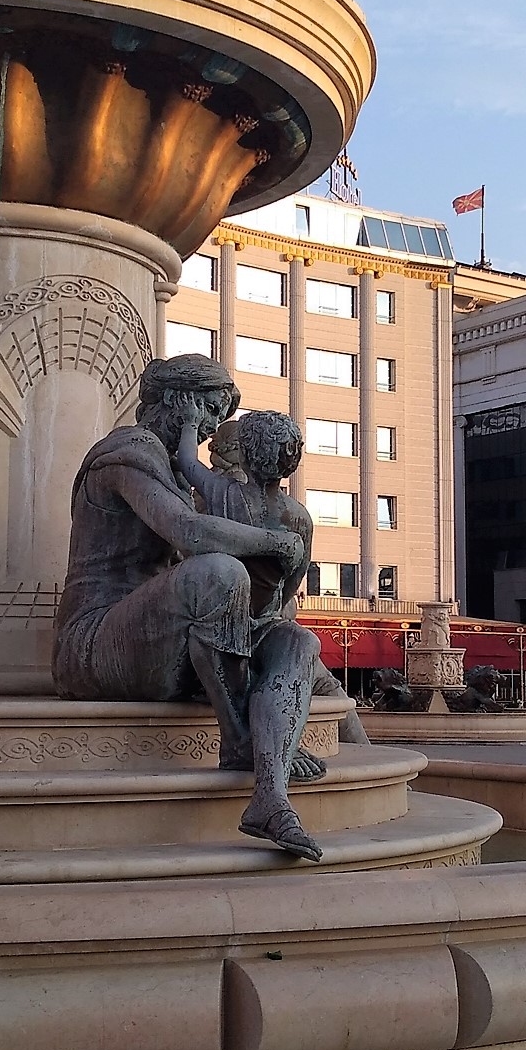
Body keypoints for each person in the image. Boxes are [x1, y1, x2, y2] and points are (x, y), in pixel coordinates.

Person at [53, 355, 325, 860]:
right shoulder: (127, 452)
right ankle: (241, 738)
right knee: (220, 572)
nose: (212, 430)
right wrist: (274, 542)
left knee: (297, 641)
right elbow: (187, 532)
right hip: (95, 643)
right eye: (209, 411)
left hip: (160, 641)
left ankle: (269, 792)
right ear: (178, 401)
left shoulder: (176, 467)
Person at [175, 409, 368, 751]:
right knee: (294, 671)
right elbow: (293, 582)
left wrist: (190, 422)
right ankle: (288, 744)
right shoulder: (299, 518)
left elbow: (187, 460)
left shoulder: (224, 494)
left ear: (244, 454)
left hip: (222, 624)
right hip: (266, 623)